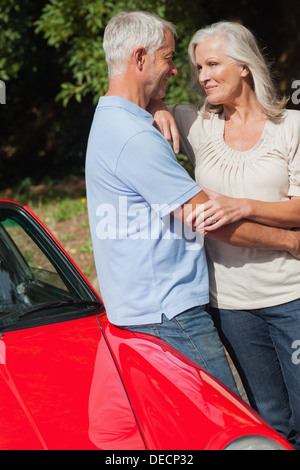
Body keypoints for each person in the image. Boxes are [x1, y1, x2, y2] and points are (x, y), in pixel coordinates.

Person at [85, 12, 300, 399]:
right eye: (172, 59)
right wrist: (290, 242)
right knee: (235, 419)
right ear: (140, 59)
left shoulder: (117, 121)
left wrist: (156, 104)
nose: (184, 72)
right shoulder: (153, 131)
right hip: (190, 308)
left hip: (274, 296)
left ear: (245, 67)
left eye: (211, 64)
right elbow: (208, 221)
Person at [150, 20, 300, 449]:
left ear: (246, 67)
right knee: (268, 418)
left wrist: (245, 206)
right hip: (230, 304)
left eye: (213, 64)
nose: (203, 77)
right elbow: (130, 103)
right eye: (198, 67)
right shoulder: (193, 124)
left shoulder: (291, 126)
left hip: (292, 296)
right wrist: (158, 105)